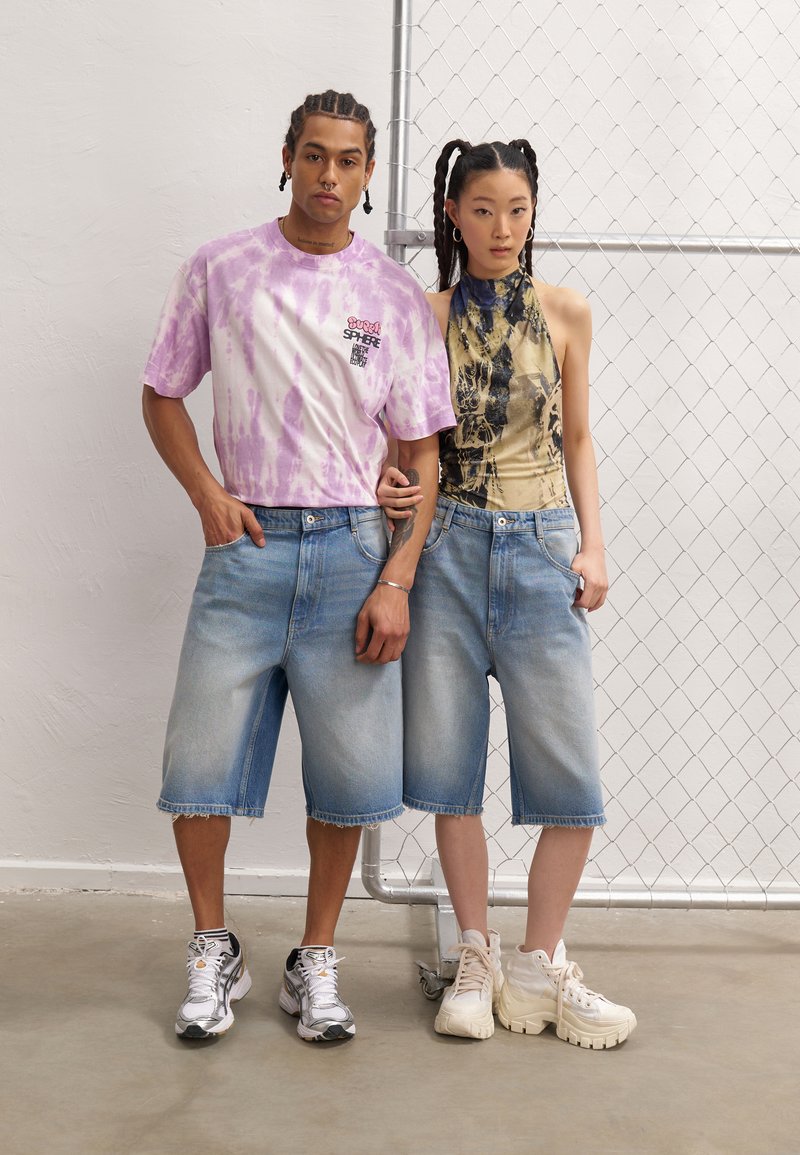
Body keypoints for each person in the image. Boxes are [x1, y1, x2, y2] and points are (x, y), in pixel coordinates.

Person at [141, 90, 454, 1044]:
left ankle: (315, 958)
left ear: (368, 173)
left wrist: (397, 576)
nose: (329, 175)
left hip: (354, 553)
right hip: (245, 550)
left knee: (349, 778)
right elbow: (161, 393)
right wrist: (207, 494)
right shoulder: (222, 267)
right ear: (287, 157)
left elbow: (421, 450)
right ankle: (213, 946)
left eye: (349, 160)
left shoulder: (393, 295)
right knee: (198, 765)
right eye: (314, 155)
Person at [379, 139, 636, 1049]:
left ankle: (536, 965)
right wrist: (390, 488)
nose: (502, 228)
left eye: (517, 210)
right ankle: (474, 956)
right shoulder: (424, 314)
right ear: (453, 215)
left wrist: (593, 544)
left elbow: (578, 439)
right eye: (483, 209)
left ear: (534, 213)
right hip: (445, 548)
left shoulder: (566, 312)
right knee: (450, 770)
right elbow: (406, 440)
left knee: (569, 780)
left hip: (541, 547)